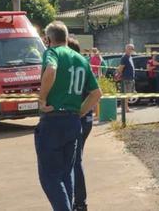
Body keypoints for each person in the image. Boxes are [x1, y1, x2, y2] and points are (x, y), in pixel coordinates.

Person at [36, 21, 102, 211]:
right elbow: (96, 93)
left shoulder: (52, 53)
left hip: (53, 120)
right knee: (66, 173)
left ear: (48, 39)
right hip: (73, 121)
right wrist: (80, 111)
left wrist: (42, 99)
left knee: (50, 176)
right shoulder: (81, 59)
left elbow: (51, 70)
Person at [66, 37, 94, 211]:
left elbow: (95, 93)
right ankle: (77, 202)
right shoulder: (84, 65)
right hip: (85, 119)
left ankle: (79, 203)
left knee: (74, 162)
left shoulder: (73, 68)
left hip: (79, 120)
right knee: (75, 160)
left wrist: (80, 113)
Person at [117, 44, 135, 113]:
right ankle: (125, 108)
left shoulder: (130, 57)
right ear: (126, 49)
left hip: (130, 78)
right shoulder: (124, 57)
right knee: (125, 94)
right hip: (126, 79)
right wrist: (118, 75)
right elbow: (121, 68)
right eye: (130, 48)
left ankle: (125, 108)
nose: (131, 50)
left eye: (132, 49)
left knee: (128, 94)